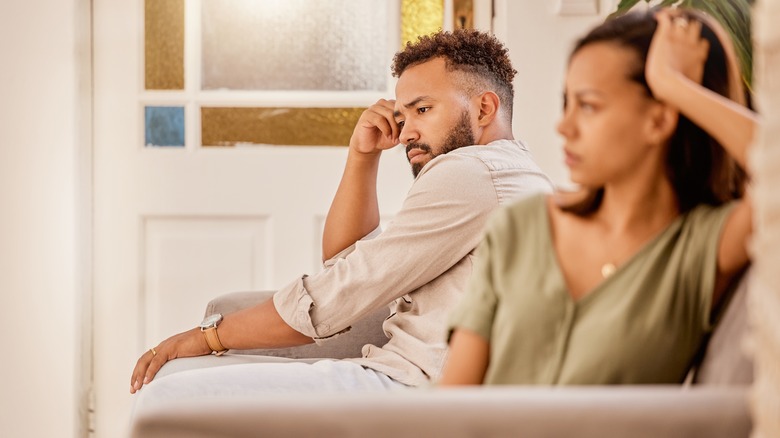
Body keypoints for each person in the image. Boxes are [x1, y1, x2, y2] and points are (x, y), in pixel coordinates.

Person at [130, 29, 554, 400]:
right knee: (188, 363)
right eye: (402, 115)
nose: (406, 132)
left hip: (415, 389)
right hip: (405, 369)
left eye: (423, 110)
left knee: (167, 394)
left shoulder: (470, 173)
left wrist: (207, 337)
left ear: (483, 109)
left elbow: (337, 295)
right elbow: (346, 262)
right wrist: (362, 156)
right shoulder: (503, 171)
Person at [440, 8, 758, 386]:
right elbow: (453, 401)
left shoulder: (701, 248)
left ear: (658, 120)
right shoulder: (520, 226)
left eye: (588, 105)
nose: (564, 126)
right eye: (566, 103)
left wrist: (673, 86)